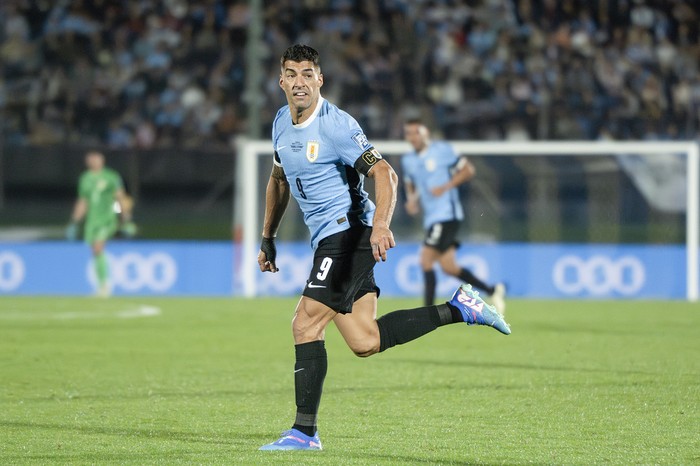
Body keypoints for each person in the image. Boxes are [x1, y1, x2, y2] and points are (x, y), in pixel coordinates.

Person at [256, 44, 511, 452]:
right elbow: (279, 179)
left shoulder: (336, 125)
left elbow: (384, 172)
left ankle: (304, 433)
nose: (300, 81)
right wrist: (268, 236)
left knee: (304, 323)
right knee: (365, 341)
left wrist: (380, 226)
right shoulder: (280, 124)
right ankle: (460, 307)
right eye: (292, 73)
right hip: (327, 238)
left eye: (308, 73)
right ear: (281, 80)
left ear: (320, 79)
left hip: (349, 234)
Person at [402, 120, 506, 313]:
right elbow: (410, 181)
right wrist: (411, 200)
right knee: (449, 267)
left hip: (446, 215)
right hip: (432, 218)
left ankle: (428, 312)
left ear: (425, 133)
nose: (412, 137)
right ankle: (492, 290)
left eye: (415, 132)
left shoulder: (443, 151)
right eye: (408, 133)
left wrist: (446, 187)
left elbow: (468, 170)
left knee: (425, 260)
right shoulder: (408, 160)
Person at [66, 151, 135, 297]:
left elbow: (119, 198)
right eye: (90, 159)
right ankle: (101, 284)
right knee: (95, 251)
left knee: (98, 247)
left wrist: (125, 218)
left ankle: (105, 285)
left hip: (107, 219)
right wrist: (75, 221)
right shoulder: (85, 178)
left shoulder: (111, 177)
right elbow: (83, 201)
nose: (93, 161)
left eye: (96, 159)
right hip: (92, 221)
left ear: (102, 161)